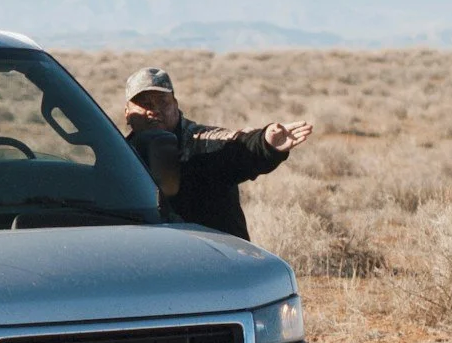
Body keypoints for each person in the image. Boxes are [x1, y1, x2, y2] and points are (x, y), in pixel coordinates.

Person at [120, 66, 313, 240]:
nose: (154, 111)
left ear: (176, 105)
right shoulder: (118, 155)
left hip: (217, 258)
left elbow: (238, 147)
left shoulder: (203, 142)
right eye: (144, 104)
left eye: (162, 102)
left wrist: (265, 143)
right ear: (128, 113)